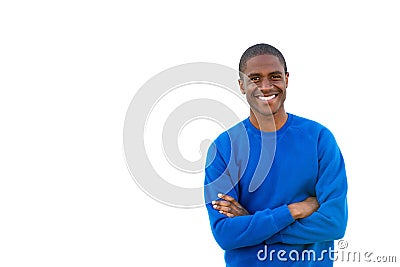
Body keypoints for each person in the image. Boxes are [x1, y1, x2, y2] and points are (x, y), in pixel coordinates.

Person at [204, 43, 348, 266]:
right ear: (241, 85)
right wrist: (293, 210)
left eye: (274, 76)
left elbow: (334, 222)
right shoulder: (224, 149)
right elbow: (225, 234)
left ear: (287, 79)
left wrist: (253, 224)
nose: (266, 86)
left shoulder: (319, 139)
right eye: (254, 78)